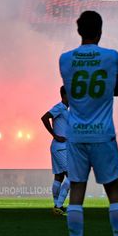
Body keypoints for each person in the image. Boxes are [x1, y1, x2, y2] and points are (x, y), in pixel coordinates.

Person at [58, 11, 118, 236]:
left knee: (76, 191)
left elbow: (68, 92)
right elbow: (117, 90)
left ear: (78, 31)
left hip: (76, 133)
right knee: (113, 191)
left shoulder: (65, 60)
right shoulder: (112, 57)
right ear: (100, 30)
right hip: (103, 133)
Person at [40, 86, 72, 215]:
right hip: (60, 147)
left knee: (59, 176)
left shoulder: (66, 109)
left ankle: (56, 205)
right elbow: (44, 117)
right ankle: (58, 205)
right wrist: (55, 135)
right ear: (65, 95)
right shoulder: (59, 107)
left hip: (60, 147)